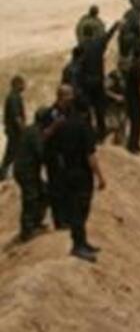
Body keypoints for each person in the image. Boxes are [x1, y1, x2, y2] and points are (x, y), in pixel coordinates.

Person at [43, 84, 107, 262]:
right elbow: (90, 156)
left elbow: (56, 145)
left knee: (76, 208)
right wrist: (100, 177)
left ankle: (81, 241)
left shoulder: (63, 124)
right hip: (80, 173)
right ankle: (78, 245)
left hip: (66, 170)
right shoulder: (81, 126)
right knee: (80, 209)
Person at [12, 107, 49, 242]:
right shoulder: (35, 133)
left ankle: (35, 223)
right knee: (31, 198)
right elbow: (41, 153)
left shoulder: (30, 130)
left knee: (43, 193)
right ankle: (27, 230)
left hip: (25, 170)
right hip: (26, 171)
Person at [124, 39, 140, 155]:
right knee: (137, 123)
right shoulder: (138, 68)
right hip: (135, 99)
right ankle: (133, 145)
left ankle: (135, 144)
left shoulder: (133, 66)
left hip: (131, 98)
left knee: (136, 123)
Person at [3, 75, 26, 180]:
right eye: (22, 84)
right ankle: (2, 175)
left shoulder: (13, 96)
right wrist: (23, 130)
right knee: (12, 154)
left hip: (13, 131)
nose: (24, 86)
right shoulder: (14, 98)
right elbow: (17, 117)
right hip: (15, 132)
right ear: (17, 84)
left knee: (12, 154)